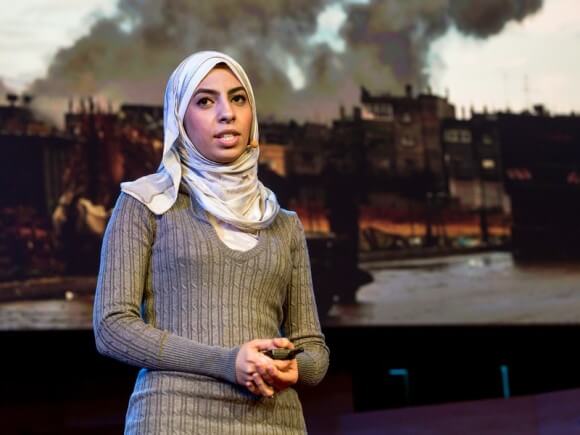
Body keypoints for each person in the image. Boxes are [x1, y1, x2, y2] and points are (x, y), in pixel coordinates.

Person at [93, 50, 329, 434]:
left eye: (238, 98)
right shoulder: (146, 203)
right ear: (179, 118)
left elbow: (314, 352)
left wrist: (292, 367)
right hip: (173, 420)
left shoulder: (283, 224)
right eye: (205, 101)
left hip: (276, 423)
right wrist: (227, 362)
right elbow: (111, 328)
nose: (227, 113)